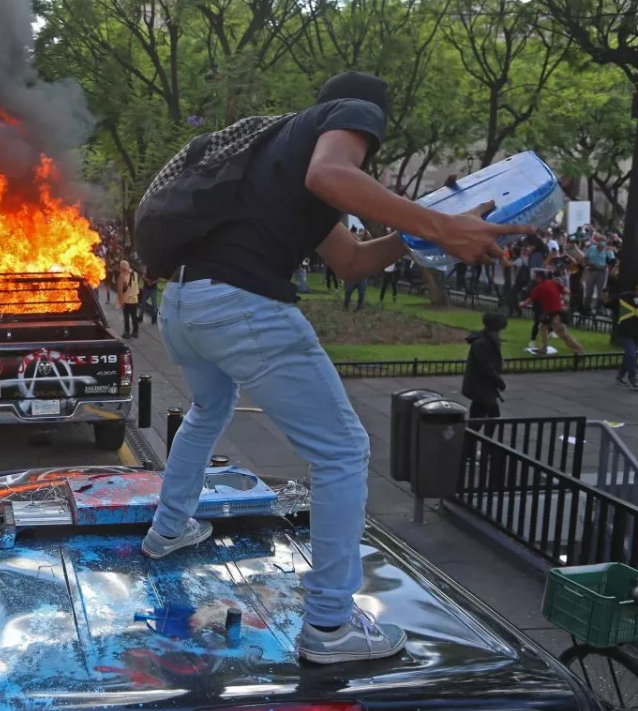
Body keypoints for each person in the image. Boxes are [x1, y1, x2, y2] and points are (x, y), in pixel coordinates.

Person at [141, 71, 525, 665]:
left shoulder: (272, 162)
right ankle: (328, 624)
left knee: (209, 407)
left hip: (184, 305)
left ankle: (168, 530)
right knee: (343, 450)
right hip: (241, 304)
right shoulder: (348, 114)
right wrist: (442, 225)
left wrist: (425, 229)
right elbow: (331, 173)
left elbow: (351, 262)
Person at [462, 312, 508, 430]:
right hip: (481, 386)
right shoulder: (483, 343)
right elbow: (484, 366)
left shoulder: (486, 340)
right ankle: (477, 440)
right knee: (487, 417)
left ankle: (475, 440)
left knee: (484, 416)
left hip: (482, 386)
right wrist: (499, 381)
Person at [521, 270, 584, 355]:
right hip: (551, 312)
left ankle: (579, 350)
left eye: (535, 277)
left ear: (540, 278)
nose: (534, 278)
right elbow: (565, 290)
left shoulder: (539, 288)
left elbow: (529, 300)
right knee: (542, 327)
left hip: (554, 314)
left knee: (563, 335)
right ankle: (544, 348)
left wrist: (521, 304)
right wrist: (571, 294)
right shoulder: (552, 282)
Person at [604, 279, 638, 388]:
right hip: (626, 331)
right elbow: (607, 305)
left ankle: (620, 376)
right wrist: (605, 293)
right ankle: (633, 378)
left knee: (630, 354)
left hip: (636, 332)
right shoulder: (624, 297)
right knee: (631, 354)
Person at [117, 259, 141, 339]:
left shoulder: (122, 278)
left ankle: (127, 333)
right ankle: (135, 332)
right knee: (134, 316)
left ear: (121, 268)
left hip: (126, 301)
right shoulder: (135, 274)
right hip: (135, 299)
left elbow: (120, 291)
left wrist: (120, 302)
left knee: (126, 318)